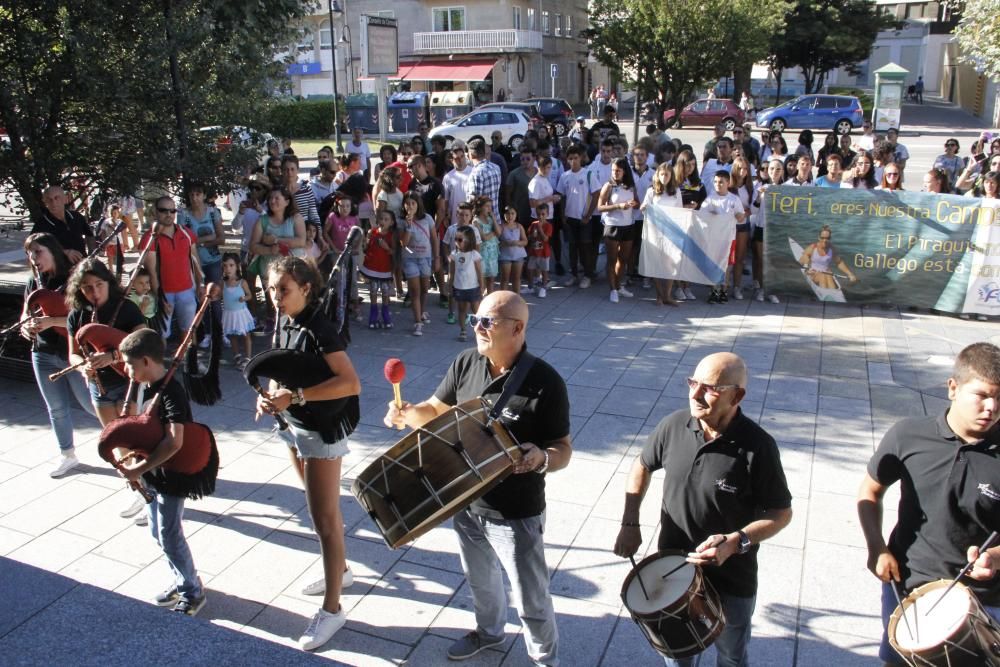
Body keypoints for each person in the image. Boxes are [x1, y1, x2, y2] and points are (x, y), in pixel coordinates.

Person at [384, 290, 572, 666]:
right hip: (466, 499)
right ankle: (489, 634)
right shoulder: (466, 362)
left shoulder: (546, 382)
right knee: (481, 581)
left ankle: (544, 658)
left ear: (517, 328)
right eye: (476, 320)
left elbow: (562, 450)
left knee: (530, 594)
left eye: (488, 321)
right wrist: (407, 413)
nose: (478, 327)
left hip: (516, 511)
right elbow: (435, 411)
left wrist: (540, 458)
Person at [614, 352, 793, 667]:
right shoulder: (673, 425)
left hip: (732, 580)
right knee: (678, 657)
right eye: (692, 382)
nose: (694, 395)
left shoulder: (758, 447)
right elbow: (641, 466)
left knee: (731, 657)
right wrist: (630, 523)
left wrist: (736, 541)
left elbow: (781, 513)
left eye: (709, 388)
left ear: (737, 395)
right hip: (674, 571)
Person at [859, 342, 1000, 664]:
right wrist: (876, 547)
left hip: (983, 600)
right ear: (953, 388)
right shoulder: (908, 435)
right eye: (982, 395)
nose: (991, 407)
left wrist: (994, 556)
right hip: (908, 588)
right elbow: (869, 491)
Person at [256, 257, 361, 651]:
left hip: (321, 430)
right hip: (293, 426)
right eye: (270, 289)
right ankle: (343, 571)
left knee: (325, 521)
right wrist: (268, 394)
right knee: (319, 510)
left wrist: (296, 396)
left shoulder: (320, 329)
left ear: (306, 289)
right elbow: (278, 362)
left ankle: (332, 610)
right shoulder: (285, 319)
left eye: (283, 289)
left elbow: (351, 384)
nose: (275, 297)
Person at [117, 328, 209, 616]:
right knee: (158, 533)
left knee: (169, 533)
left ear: (146, 361)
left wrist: (140, 468)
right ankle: (185, 577)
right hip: (153, 473)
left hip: (170, 474)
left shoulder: (170, 391)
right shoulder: (147, 384)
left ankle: (192, 593)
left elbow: (174, 441)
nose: (126, 369)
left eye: (130, 364)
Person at [20, 233, 97, 477]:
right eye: (30, 253)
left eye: (38, 252)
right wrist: (25, 325)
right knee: (56, 408)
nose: (33, 258)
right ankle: (67, 455)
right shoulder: (34, 282)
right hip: (42, 352)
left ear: (53, 251)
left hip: (71, 354)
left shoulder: (74, 280)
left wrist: (51, 320)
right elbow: (26, 312)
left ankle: (133, 441)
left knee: (92, 405)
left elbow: (84, 320)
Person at [65, 258, 147, 426]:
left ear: (109, 283)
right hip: (99, 385)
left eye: (99, 284)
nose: (95, 292)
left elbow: (145, 343)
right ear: (79, 288)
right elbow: (73, 354)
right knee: (115, 438)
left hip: (129, 381)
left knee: (133, 436)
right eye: (87, 287)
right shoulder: (76, 315)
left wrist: (114, 356)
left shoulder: (127, 308)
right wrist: (83, 367)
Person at [140, 197, 204, 339]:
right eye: (163, 210)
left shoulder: (186, 233)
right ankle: (161, 362)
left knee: (188, 331)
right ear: (155, 212)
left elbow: (195, 262)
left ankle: (190, 361)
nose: (169, 214)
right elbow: (152, 272)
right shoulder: (149, 238)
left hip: (187, 290)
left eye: (172, 210)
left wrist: (201, 284)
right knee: (161, 335)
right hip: (164, 293)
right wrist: (160, 298)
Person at [179, 183, 224, 346]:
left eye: (198, 194)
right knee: (200, 297)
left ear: (204, 195)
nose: (195, 198)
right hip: (193, 262)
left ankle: (219, 332)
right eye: (191, 195)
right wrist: (205, 239)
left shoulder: (212, 213)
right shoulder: (184, 215)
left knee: (215, 298)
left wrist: (199, 243)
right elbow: (185, 240)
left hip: (213, 260)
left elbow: (220, 238)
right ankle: (207, 333)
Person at [639, 163, 683, 306]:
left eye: (667, 174)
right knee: (656, 263)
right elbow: (644, 208)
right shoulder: (651, 191)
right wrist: (644, 208)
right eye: (662, 174)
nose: (664, 177)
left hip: (671, 232)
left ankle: (667, 295)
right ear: (657, 175)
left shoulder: (676, 191)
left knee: (670, 263)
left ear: (671, 176)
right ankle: (659, 295)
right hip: (655, 232)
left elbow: (680, 211)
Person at [597, 157, 639, 303]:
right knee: (612, 259)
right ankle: (613, 289)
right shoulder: (608, 186)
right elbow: (600, 207)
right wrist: (617, 206)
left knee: (623, 259)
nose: (615, 173)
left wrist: (633, 204)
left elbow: (638, 203)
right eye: (613, 170)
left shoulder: (631, 186)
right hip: (612, 226)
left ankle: (619, 285)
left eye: (618, 171)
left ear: (624, 171)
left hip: (628, 225)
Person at [701, 171, 746, 304]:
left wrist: (739, 216)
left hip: (728, 238)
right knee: (714, 264)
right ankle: (714, 290)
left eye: (721, 182)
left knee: (726, 265)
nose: (718, 185)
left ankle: (724, 289)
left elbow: (741, 216)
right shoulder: (710, 199)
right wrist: (711, 215)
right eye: (715, 182)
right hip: (713, 239)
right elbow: (701, 216)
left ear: (728, 183)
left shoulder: (734, 199)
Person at [749, 159, 785, 304]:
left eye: (777, 169)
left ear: (782, 171)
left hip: (777, 229)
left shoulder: (787, 189)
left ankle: (772, 290)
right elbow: (753, 210)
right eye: (771, 169)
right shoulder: (761, 187)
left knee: (774, 261)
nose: (774, 172)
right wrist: (758, 196)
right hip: (761, 226)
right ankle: (762, 289)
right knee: (762, 260)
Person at [557, 144, 593, 287]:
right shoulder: (564, 176)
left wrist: (588, 214)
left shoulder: (588, 174)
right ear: (567, 160)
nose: (573, 161)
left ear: (581, 159)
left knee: (585, 247)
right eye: (570, 159)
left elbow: (596, 194)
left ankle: (587, 275)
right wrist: (562, 215)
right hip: (569, 218)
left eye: (576, 158)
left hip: (584, 218)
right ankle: (573, 274)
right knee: (572, 248)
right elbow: (562, 196)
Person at [32, 185, 95, 263]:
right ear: (45, 202)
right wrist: (64, 252)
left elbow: (89, 235)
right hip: (58, 272)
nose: (53, 202)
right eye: (49, 199)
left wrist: (91, 254)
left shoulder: (76, 217)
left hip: (81, 268)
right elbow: (32, 248)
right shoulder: (41, 225)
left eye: (57, 198)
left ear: (65, 199)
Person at [361, 210, 396, 330]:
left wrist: (387, 248)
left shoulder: (392, 236)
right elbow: (366, 249)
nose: (383, 222)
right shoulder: (373, 232)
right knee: (373, 292)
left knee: (385, 292)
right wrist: (366, 239)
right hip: (372, 269)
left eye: (386, 219)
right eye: (381, 219)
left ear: (391, 222)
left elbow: (394, 252)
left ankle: (386, 315)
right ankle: (373, 316)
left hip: (385, 269)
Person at [448, 226, 483, 342]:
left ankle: (480, 329)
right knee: (462, 310)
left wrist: (481, 286)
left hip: (473, 287)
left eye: (460, 239)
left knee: (476, 310)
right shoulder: (454, 255)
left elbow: (479, 271)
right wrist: (450, 285)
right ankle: (463, 330)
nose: (457, 242)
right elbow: (451, 272)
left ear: (469, 241)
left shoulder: (474, 254)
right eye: (455, 239)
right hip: (459, 287)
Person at [220, 253, 254, 370]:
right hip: (229, 313)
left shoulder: (242, 282)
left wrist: (244, 298)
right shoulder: (223, 283)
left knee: (246, 335)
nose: (228, 268)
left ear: (237, 266)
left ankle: (248, 358)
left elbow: (250, 295)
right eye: (225, 266)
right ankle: (237, 356)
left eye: (231, 265)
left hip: (240, 313)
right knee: (232, 335)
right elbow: (220, 295)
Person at [797, 225, 858, 290]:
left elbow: (839, 262)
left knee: (828, 275)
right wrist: (807, 268)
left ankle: (833, 293)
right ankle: (825, 293)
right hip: (812, 273)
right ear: (819, 238)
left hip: (826, 274)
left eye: (827, 238)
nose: (825, 240)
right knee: (824, 275)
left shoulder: (832, 249)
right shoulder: (813, 247)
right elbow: (804, 256)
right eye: (822, 238)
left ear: (830, 238)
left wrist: (850, 274)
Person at [466, 138, 502, 223]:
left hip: (482, 223)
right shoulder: (496, 167)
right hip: (495, 218)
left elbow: (473, 201)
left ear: (471, 155)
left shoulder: (476, 173)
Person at [473, 196, 501, 293]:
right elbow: (484, 238)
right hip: (482, 253)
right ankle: (480, 301)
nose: (489, 209)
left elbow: (499, 232)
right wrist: (494, 233)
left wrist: (493, 218)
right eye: (487, 206)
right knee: (482, 280)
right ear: (480, 207)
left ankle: (490, 299)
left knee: (491, 279)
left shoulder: (490, 219)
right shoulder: (476, 221)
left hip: (492, 253)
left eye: (490, 206)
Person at [497, 206, 527, 294]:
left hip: (518, 255)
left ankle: (517, 299)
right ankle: (503, 299)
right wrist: (506, 243)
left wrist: (517, 243)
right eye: (508, 213)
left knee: (517, 278)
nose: (510, 216)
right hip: (505, 256)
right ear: (504, 215)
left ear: (516, 215)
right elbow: (496, 242)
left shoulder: (519, 226)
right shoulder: (501, 226)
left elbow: (525, 241)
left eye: (512, 213)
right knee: (505, 278)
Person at [526, 202, 553, 298]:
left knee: (544, 270)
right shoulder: (533, 224)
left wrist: (540, 229)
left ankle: (544, 287)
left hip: (544, 253)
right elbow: (529, 236)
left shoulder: (548, 225)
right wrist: (531, 236)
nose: (540, 217)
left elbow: (546, 239)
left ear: (547, 214)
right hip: (534, 251)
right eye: (538, 214)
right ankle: (530, 287)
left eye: (543, 214)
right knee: (530, 268)